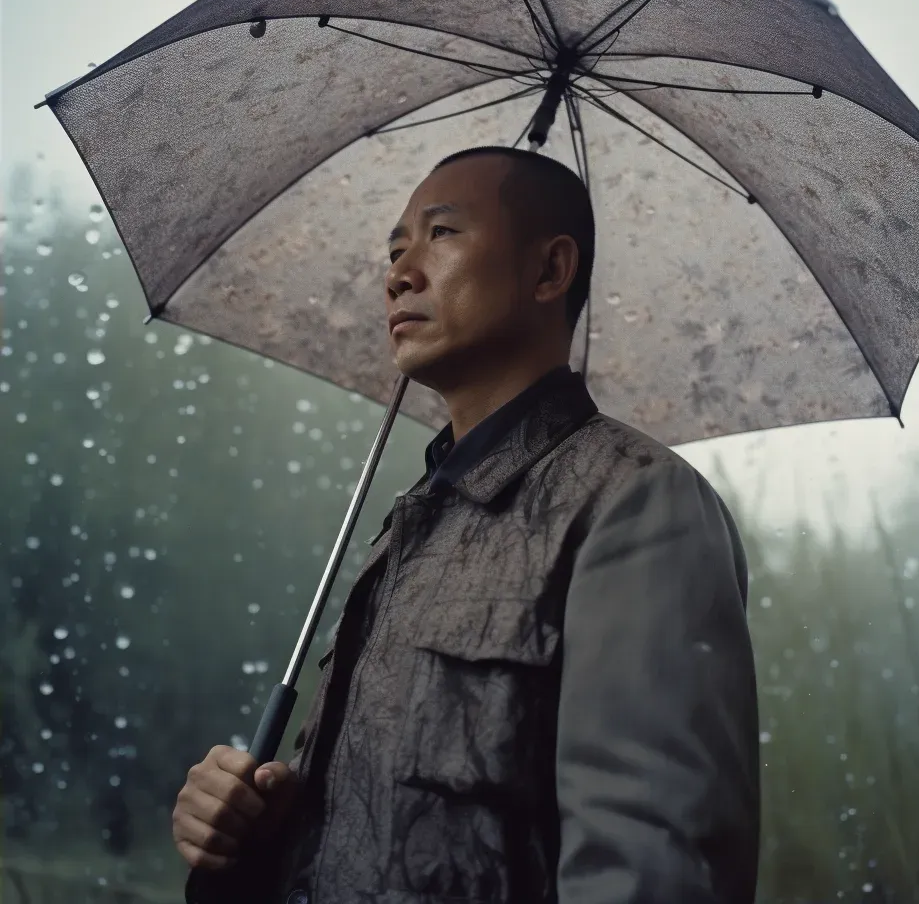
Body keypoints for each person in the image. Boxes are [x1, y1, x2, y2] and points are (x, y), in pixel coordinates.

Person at [173, 147, 760, 904]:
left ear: (550, 271)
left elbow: (656, 872)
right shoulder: (409, 525)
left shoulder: (637, 503)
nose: (398, 274)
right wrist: (259, 842)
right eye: (394, 249)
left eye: (441, 235)